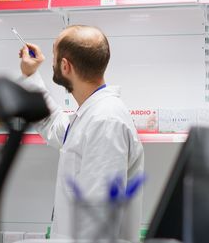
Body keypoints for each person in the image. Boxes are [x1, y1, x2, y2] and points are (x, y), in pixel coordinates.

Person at [18, 25, 144, 242]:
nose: (52, 63)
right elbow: (53, 124)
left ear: (65, 66)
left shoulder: (105, 121)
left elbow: (97, 225)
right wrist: (31, 75)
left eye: (55, 56)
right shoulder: (91, 114)